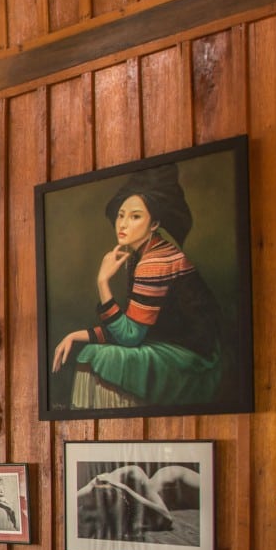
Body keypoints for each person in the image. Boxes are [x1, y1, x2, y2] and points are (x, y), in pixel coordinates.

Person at [48, 163, 224, 410]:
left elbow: (130, 336)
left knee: (102, 357)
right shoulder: (141, 254)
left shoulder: (156, 260)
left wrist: (102, 283)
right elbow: (131, 325)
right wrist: (75, 335)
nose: (123, 224)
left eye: (135, 216)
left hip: (195, 357)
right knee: (91, 352)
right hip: (163, 342)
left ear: (154, 224)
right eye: (121, 215)